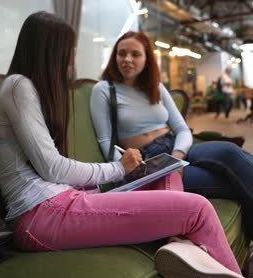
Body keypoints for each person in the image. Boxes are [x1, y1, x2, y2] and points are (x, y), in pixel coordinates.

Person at [0, 14, 253, 278]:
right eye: (69, 50)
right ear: (50, 49)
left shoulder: (26, 87)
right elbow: (53, 168)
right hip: (41, 214)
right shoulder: (18, 86)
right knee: (198, 209)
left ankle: (180, 244)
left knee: (171, 174)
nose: (72, 58)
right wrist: (118, 169)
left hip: (61, 200)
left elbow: (52, 171)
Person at [90, 31, 253, 245]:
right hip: (149, 161)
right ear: (115, 57)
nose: (127, 59)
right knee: (231, 179)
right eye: (122, 53)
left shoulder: (155, 87)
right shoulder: (104, 90)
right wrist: (126, 169)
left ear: (147, 59)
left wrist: (177, 154)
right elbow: (105, 141)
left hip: (176, 145)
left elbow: (183, 129)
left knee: (230, 152)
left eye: (135, 54)